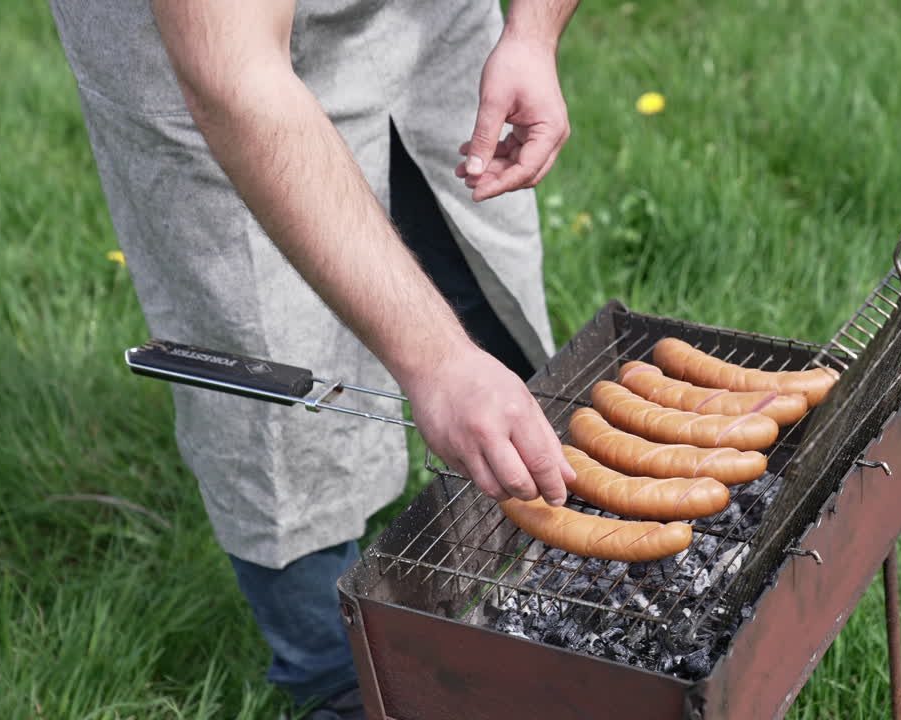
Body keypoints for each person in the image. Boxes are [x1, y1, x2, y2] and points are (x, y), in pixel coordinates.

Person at [47, 1, 581, 717]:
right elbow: (236, 79)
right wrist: (437, 363)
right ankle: (340, 678)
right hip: (213, 57)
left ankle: (495, 605)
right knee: (273, 381)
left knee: (477, 280)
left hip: (430, 21)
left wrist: (533, 32)